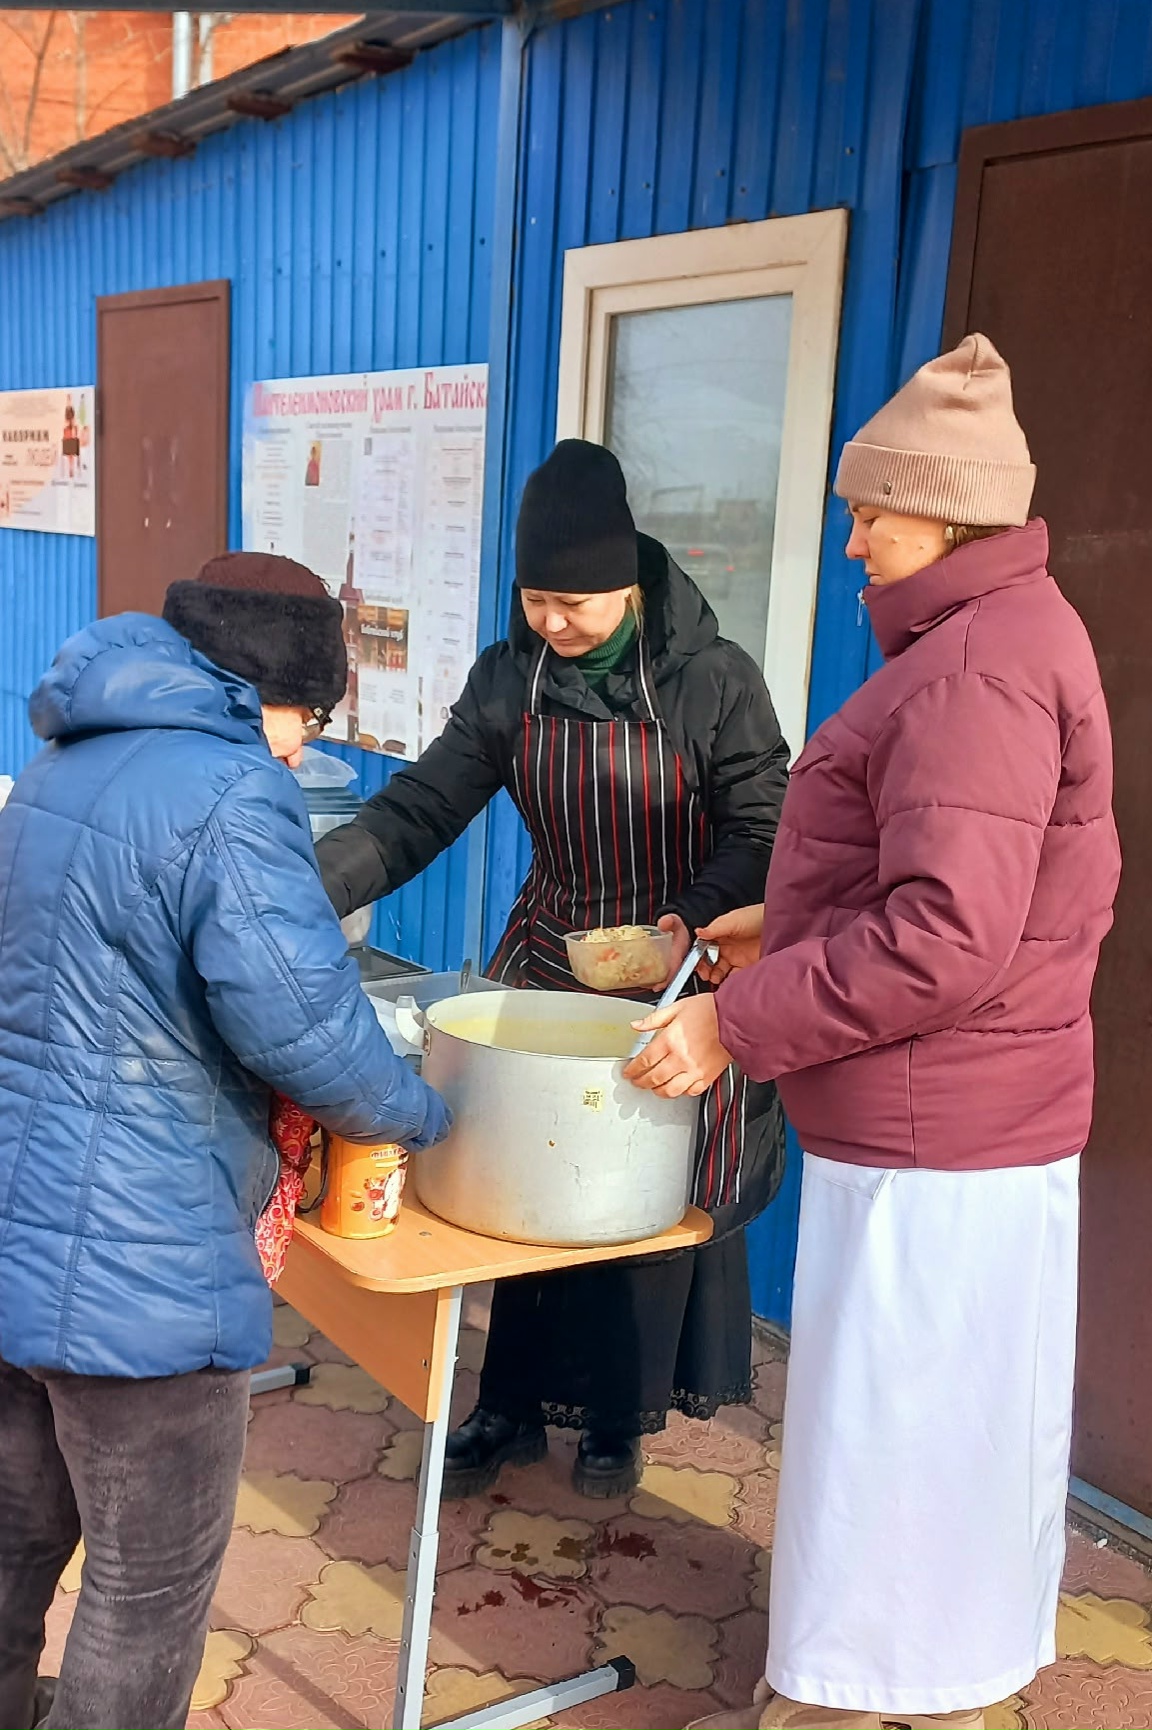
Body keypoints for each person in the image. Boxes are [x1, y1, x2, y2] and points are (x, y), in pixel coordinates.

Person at [626, 336, 1121, 1730]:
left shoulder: (977, 667)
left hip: (936, 1130)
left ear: (948, 509)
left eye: (871, 509)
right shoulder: (996, 638)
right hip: (962, 1116)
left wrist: (737, 1022)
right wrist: (773, 930)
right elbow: (958, 901)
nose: (852, 539)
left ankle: (851, 1703)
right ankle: (925, 1679)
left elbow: (946, 938)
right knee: (942, 1428)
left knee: (890, 1432)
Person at [0, 552, 451, 1730]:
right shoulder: (231, 789)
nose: (307, 746)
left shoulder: (69, 754)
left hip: (16, 1230)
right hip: (146, 1270)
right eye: (313, 715)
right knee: (143, 1589)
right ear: (269, 693)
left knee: (12, 1546)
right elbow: (304, 1025)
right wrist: (422, 1114)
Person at [316, 439, 789, 1498]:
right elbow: (420, 808)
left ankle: (622, 1415)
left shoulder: (713, 680)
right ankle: (507, 1405)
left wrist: (695, 920)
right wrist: (307, 888)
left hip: (676, 971)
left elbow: (767, 822)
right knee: (520, 1183)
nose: (554, 624)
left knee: (642, 1199)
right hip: (547, 956)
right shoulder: (509, 679)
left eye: (576, 602)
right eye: (537, 599)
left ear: (632, 581)